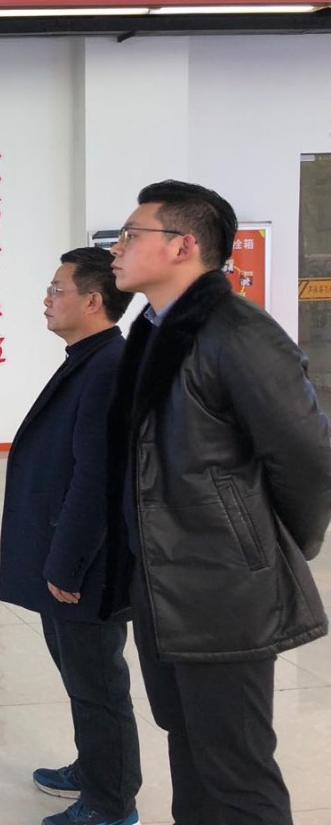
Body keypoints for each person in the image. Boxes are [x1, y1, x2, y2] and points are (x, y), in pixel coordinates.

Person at [105, 180, 331, 825]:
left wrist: (261, 547)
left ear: (182, 246)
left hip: (221, 587)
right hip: (164, 579)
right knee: (189, 743)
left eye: (131, 235)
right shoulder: (155, 330)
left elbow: (309, 461)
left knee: (236, 768)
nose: (116, 248)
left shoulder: (239, 333)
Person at [0, 247, 140, 825]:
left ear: (93, 300)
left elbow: (96, 478)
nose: (47, 300)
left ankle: (111, 804)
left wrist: (67, 563)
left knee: (97, 682)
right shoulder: (89, 357)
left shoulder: (107, 367)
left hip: (85, 565)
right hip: (68, 553)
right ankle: (95, 768)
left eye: (57, 290)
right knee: (82, 677)